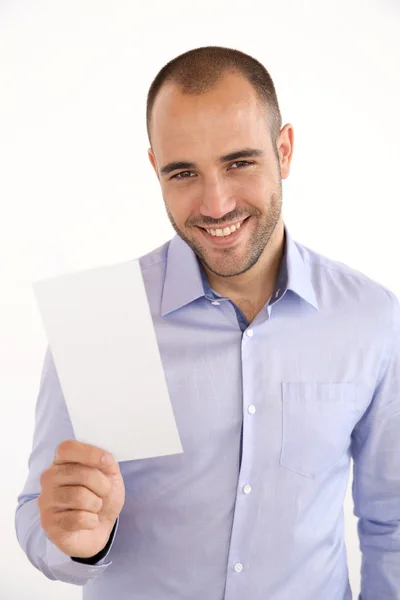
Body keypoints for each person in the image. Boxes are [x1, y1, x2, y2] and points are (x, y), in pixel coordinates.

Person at [15, 46, 400, 600]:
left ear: (284, 150)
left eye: (239, 162)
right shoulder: (106, 321)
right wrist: (80, 541)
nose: (216, 203)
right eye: (184, 172)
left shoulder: (369, 316)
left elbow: (390, 522)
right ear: (155, 168)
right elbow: (38, 512)